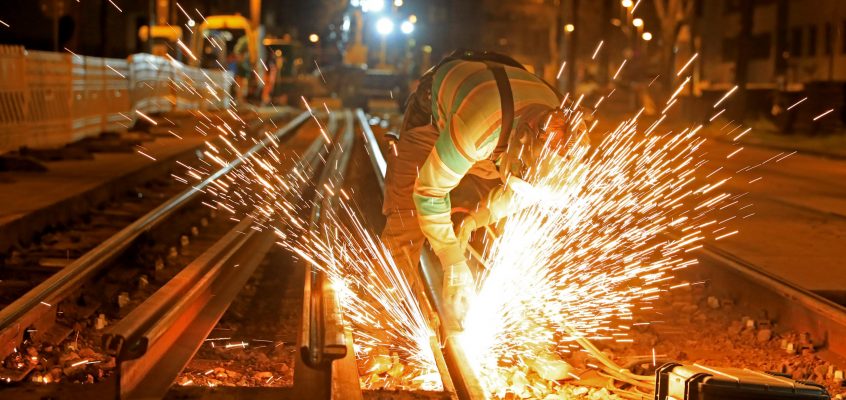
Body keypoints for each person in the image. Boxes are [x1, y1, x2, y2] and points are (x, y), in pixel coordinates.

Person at [380, 50, 589, 322]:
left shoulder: (569, 138)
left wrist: (477, 218)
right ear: (521, 139)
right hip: (437, 117)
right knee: (407, 220)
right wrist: (453, 264)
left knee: (499, 222)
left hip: (499, 118)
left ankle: (517, 317)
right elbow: (429, 192)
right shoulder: (477, 127)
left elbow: (525, 192)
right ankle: (381, 322)